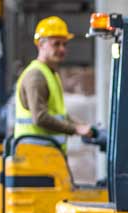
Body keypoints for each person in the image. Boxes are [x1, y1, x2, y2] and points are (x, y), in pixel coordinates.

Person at [14, 16, 96, 149]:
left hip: (47, 156)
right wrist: (74, 129)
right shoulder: (36, 76)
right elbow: (40, 117)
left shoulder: (50, 74)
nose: (62, 49)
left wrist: (79, 125)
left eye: (64, 44)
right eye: (56, 44)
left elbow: (58, 115)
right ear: (41, 44)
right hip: (35, 157)